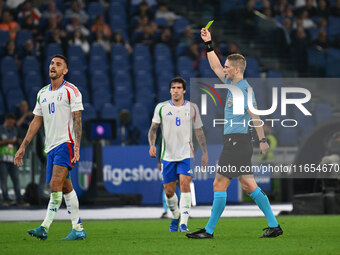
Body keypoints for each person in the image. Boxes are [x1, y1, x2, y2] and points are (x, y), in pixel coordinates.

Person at [186, 29, 283, 239]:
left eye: (228, 67)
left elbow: (255, 115)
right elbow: (213, 65)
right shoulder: (232, 84)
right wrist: (209, 43)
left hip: (238, 142)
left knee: (219, 183)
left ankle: (209, 231)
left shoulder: (244, 90)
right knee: (249, 184)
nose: (224, 69)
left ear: (237, 69)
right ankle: (274, 225)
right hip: (237, 142)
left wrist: (263, 140)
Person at [14, 54, 86, 241]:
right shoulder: (42, 93)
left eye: (58, 64)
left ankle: (44, 227)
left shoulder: (71, 90)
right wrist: (23, 147)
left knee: (54, 185)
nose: (53, 66)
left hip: (66, 143)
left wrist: (77, 145)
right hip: (51, 146)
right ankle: (78, 229)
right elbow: (35, 122)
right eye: (52, 63)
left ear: (65, 70)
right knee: (66, 187)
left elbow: (77, 119)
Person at [148, 77, 208, 232]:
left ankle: (183, 223)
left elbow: (199, 131)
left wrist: (205, 152)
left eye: (179, 88)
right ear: (170, 90)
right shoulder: (161, 107)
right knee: (169, 192)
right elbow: (153, 129)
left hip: (186, 154)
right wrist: (152, 145)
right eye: (173, 87)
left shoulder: (192, 108)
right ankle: (175, 216)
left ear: (184, 91)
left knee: (185, 184)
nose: (176, 90)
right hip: (167, 156)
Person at [0, 113, 26, 206]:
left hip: (12, 159)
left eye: (12, 123)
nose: (11, 125)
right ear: (6, 120)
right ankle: (5, 200)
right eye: (10, 123)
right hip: (2, 160)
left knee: (16, 180)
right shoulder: (0, 129)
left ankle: (19, 200)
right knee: (3, 180)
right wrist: (6, 141)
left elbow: (18, 141)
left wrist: (19, 142)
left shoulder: (15, 130)